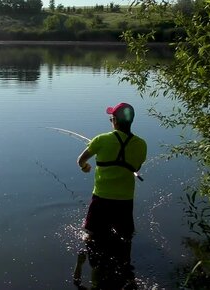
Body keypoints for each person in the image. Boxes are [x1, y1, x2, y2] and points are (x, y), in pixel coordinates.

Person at [74, 102, 147, 289]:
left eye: (111, 118)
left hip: (101, 199)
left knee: (90, 235)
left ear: (114, 121)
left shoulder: (100, 140)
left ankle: (90, 256)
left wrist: (86, 168)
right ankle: (125, 271)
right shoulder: (141, 144)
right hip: (125, 201)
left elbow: (80, 160)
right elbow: (136, 168)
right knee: (125, 237)